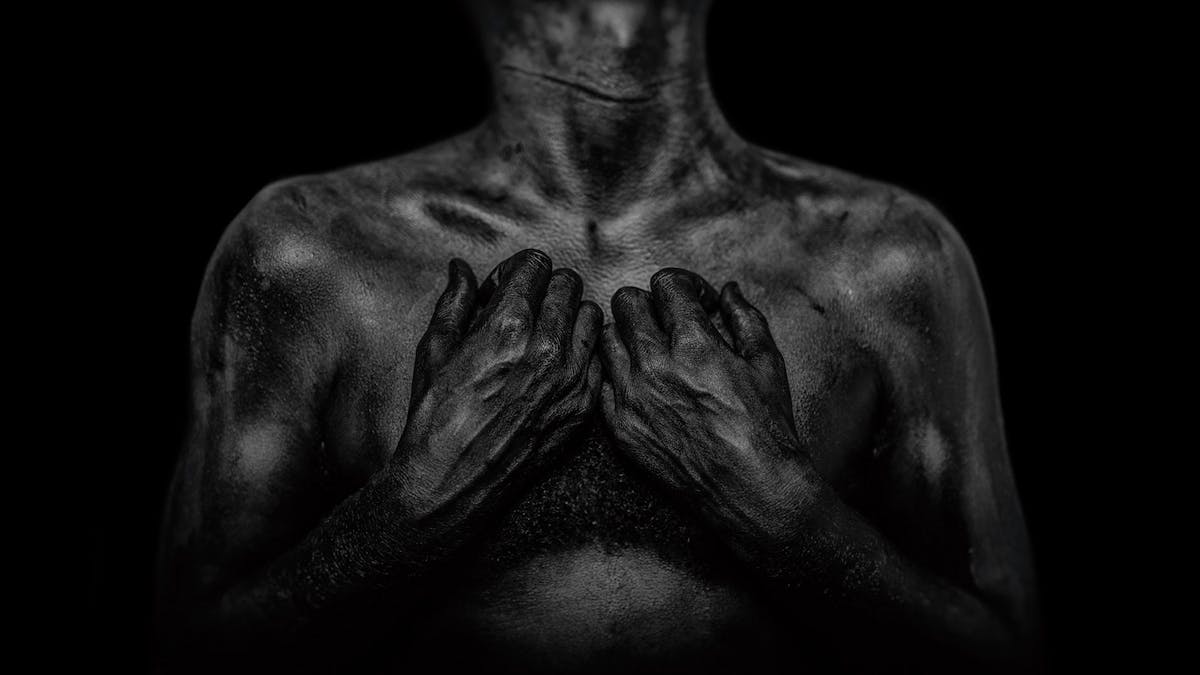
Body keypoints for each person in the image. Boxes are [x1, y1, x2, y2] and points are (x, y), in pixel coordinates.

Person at [155, 1, 1040, 672]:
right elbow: (188, 650)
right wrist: (417, 505)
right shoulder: (309, 249)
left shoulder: (888, 258)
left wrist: (779, 511)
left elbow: (1007, 653)